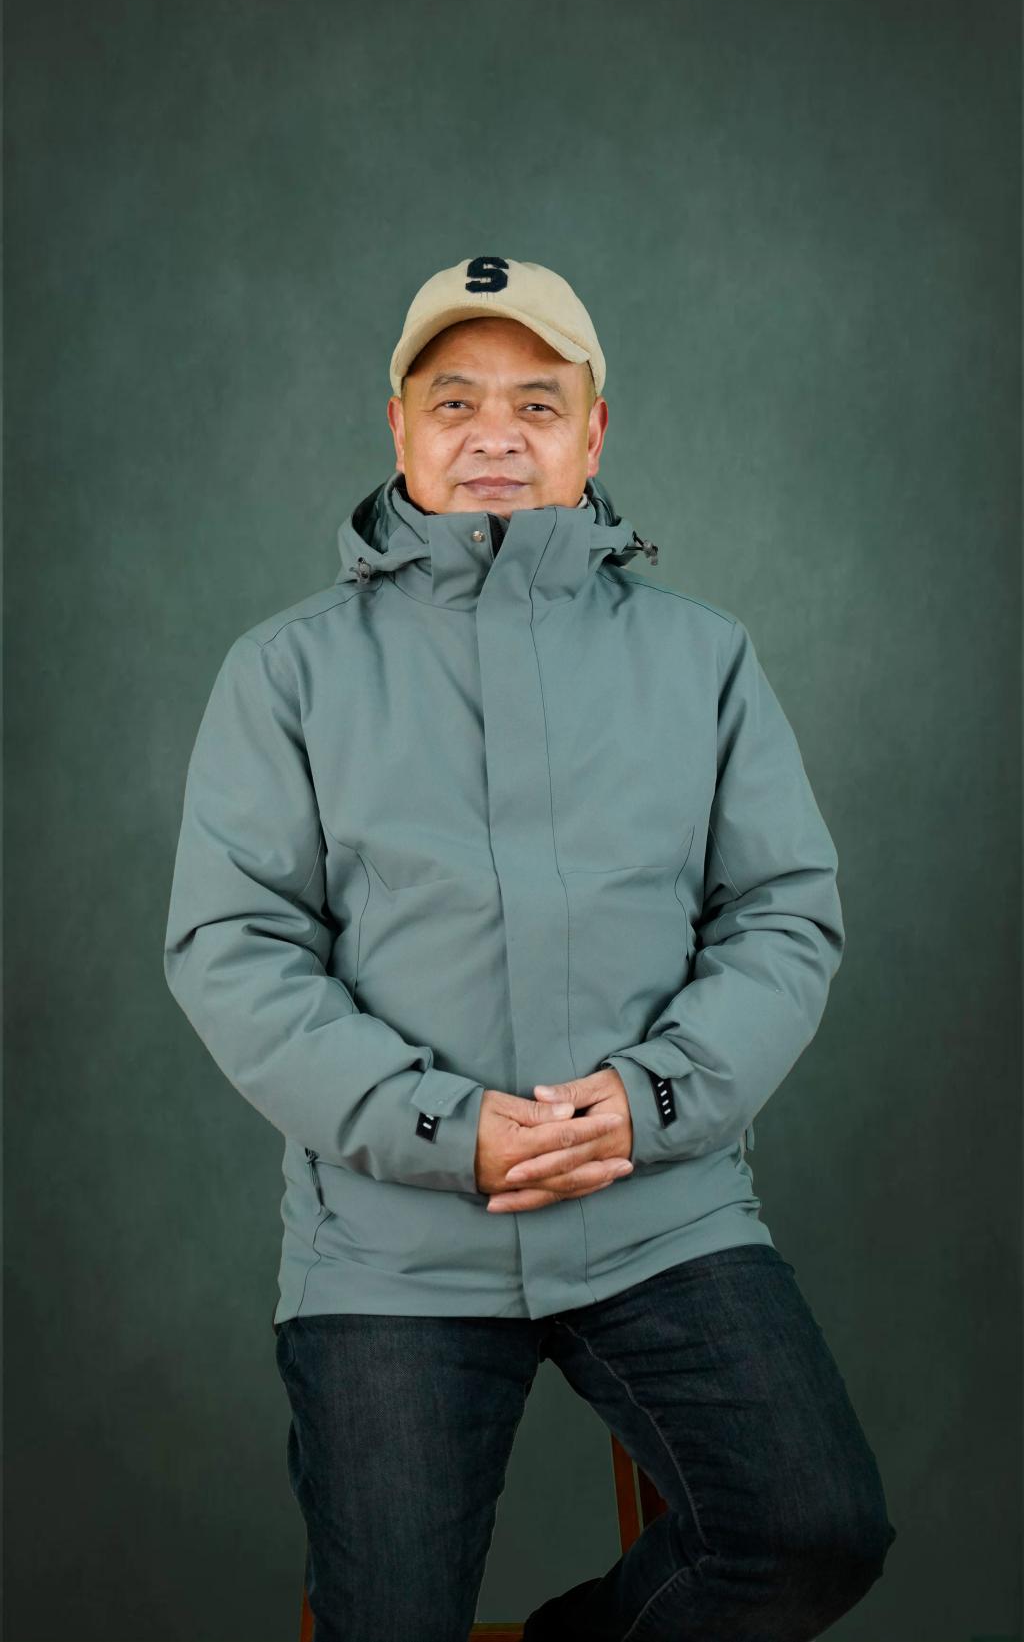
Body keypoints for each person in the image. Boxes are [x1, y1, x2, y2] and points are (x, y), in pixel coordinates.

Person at [163, 254, 897, 1641]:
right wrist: (444, 1128)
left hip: (659, 1207)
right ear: (400, 429)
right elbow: (232, 946)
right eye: (456, 401)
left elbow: (784, 912)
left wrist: (653, 1097)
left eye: (537, 402)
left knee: (814, 1530)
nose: (495, 432)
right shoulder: (286, 671)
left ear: (592, 433)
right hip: (393, 1244)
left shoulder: (704, 657)